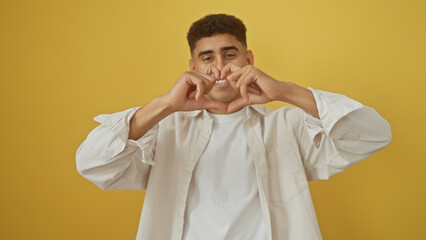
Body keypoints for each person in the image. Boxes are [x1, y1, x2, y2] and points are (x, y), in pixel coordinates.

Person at [76, 14, 392, 240]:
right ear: (192, 68)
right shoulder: (165, 129)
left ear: (248, 58)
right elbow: (92, 163)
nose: (220, 67)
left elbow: (373, 134)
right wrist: (166, 105)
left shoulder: (287, 125)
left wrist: (285, 90)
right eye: (207, 58)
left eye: (230, 54)